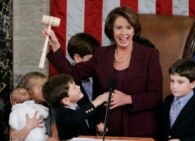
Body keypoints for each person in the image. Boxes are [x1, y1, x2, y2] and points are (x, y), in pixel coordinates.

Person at [43, 6, 163, 139]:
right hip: (107, 129)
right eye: (118, 28)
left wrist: (128, 99)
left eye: (128, 27)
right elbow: (73, 73)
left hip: (141, 129)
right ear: (112, 30)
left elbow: (156, 96)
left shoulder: (149, 55)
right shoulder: (101, 54)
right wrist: (56, 47)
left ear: (134, 30)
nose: (124, 33)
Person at [42, 74, 108, 140]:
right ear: (66, 100)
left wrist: (98, 132)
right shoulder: (62, 115)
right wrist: (98, 101)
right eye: (74, 87)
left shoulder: (78, 105)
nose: (79, 87)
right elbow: (76, 117)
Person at [163, 59, 195, 141]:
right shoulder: (168, 100)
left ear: (193, 84)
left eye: (180, 82)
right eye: (172, 81)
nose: (174, 86)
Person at [67, 32, 101, 135]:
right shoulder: (67, 83)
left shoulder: (100, 75)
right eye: (92, 60)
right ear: (77, 58)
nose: (96, 63)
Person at [9, 71, 59, 141]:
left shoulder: (52, 109)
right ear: (29, 91)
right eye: (41, 87)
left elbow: (55, 137)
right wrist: (28, 126)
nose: (46, 90)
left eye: (47, 87)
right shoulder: (21, 110)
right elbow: (13, 139)